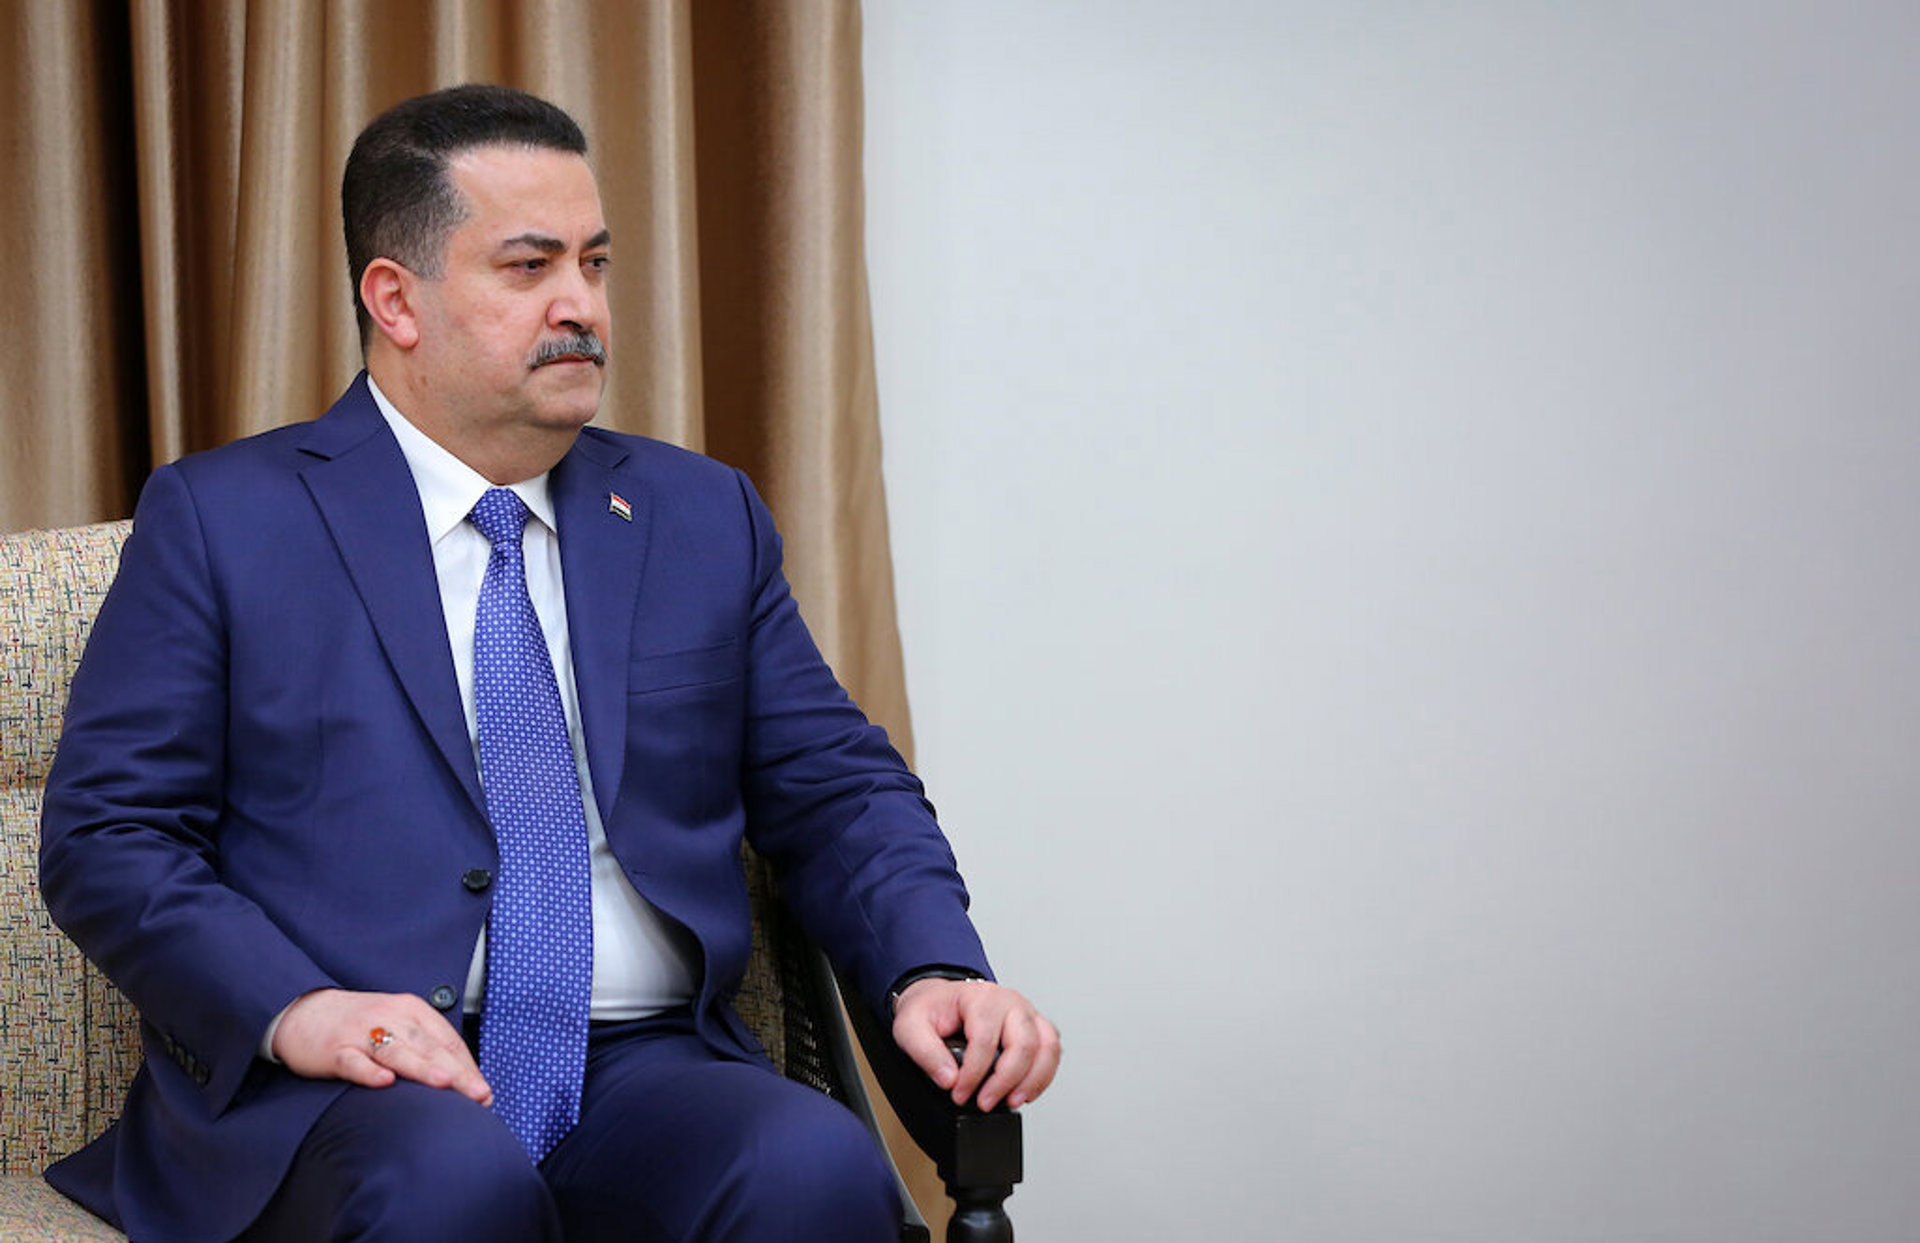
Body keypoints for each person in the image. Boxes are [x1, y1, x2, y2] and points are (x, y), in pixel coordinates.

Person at [38, 83, 1058, 1243]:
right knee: (448, 1187)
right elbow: (108, 832)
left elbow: (837, 787)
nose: (582, 305)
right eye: (529, 268)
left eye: (595, 262)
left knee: (810, 1166)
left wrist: (930, 967)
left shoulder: (697, 515)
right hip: (348, 1084)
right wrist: (300, 1008)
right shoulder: (226, 520)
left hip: (640, 1066)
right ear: (396, 299)